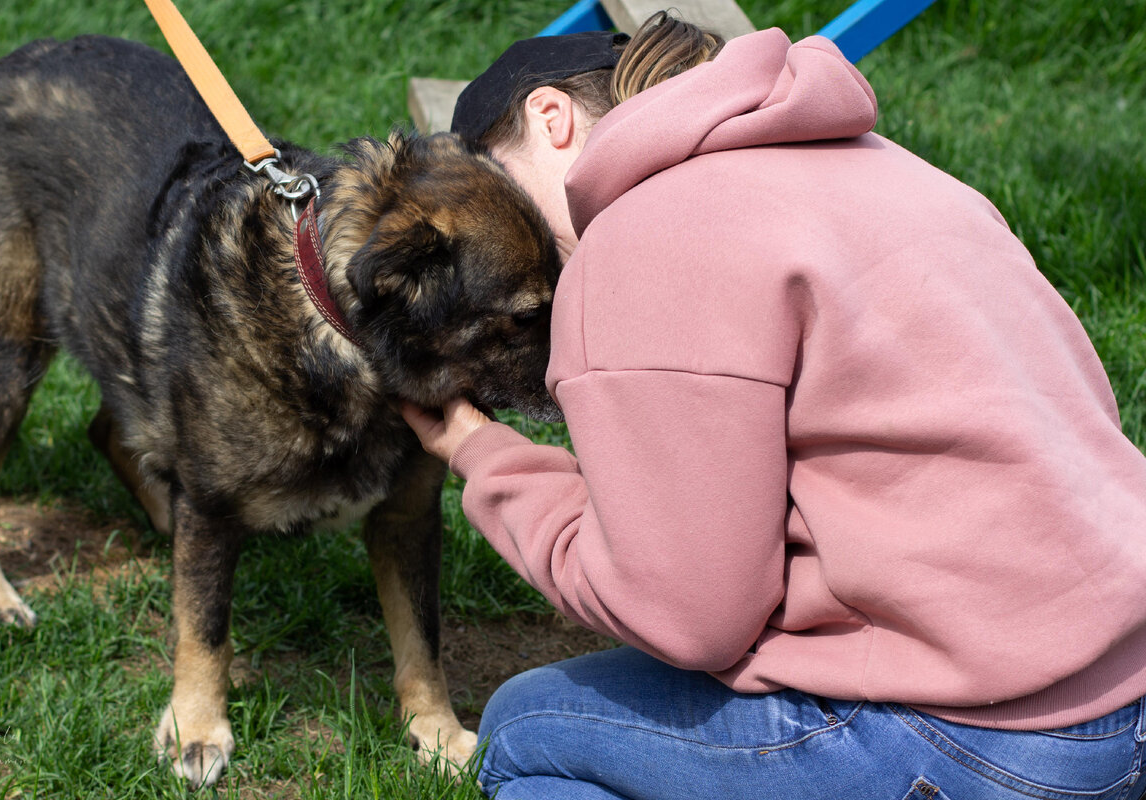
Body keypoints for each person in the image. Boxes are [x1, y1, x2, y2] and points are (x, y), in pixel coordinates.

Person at [401, 11, 1146, 799]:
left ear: (549, 118)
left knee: (523, 732)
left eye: (498, 191)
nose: (523, 258)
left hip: (989, 739)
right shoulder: (893, 168)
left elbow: (687, 618)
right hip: (1125, 685)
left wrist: (486, 459)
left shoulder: (643, 232)